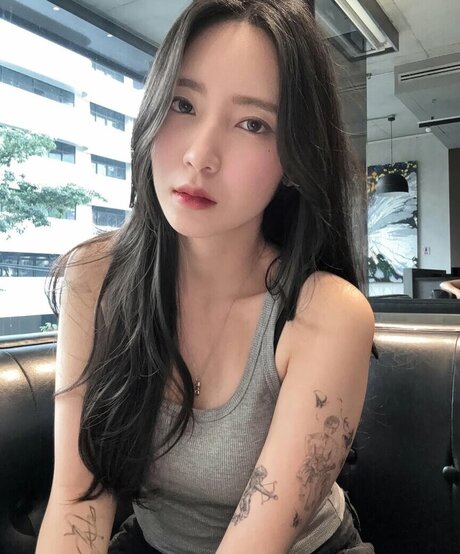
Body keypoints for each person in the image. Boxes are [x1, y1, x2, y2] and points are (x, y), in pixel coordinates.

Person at [36, 0, 376, 552]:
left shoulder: (326, 314)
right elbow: (78, 500)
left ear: (294, 158)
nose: (200, 155)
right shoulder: (95, 277)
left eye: (252, 123)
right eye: (183, 103)